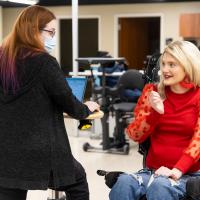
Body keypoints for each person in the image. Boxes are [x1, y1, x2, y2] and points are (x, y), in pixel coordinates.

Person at [0, 5, 100, 200]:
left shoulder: (3, 60)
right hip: (42, 152)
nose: (53, 38)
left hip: (6, 151)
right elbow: (70, 104)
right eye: (50, 32)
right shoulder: (45, 62)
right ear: (33, 30)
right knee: (77, 181)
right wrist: (86, 108)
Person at [109, 40, 200, 200]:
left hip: (189, 174)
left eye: (172, 65)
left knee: (160, 186)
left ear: (188, 65)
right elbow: (134, 134)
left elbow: (198, 142)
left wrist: (177, 170)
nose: (164, 70)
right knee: (123, 183)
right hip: (153, 171)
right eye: (163, 64)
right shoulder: (152, 92)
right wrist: (154, 113)